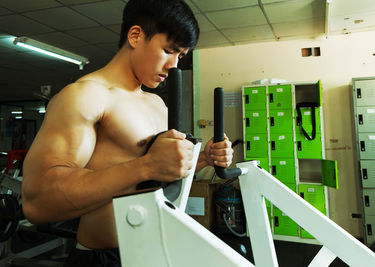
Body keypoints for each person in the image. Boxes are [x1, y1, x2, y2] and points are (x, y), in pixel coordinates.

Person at [22, 0, 234, 266]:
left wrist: (203, 158)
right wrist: (146, 165)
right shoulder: (86, 96)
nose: (174, 65)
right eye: (169, 50)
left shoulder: (156, 103)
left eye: (180, 56)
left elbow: (158, 176)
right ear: (135, 36)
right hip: (103, 258)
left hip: (155, 252)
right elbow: (37, 201)